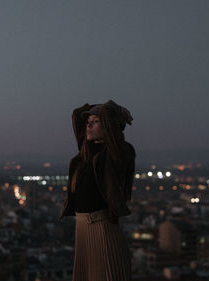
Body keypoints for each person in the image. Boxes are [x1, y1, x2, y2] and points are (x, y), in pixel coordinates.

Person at [59, 100, 136, 281]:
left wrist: (113, 111)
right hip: (83, 230)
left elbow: (117, 147)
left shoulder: (118, 153)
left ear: (109, 126)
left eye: (95, 122)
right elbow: (78, 114)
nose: (88, 125)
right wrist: (97, 109)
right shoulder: (88, 154)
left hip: (102, 229)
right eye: (88, 122)